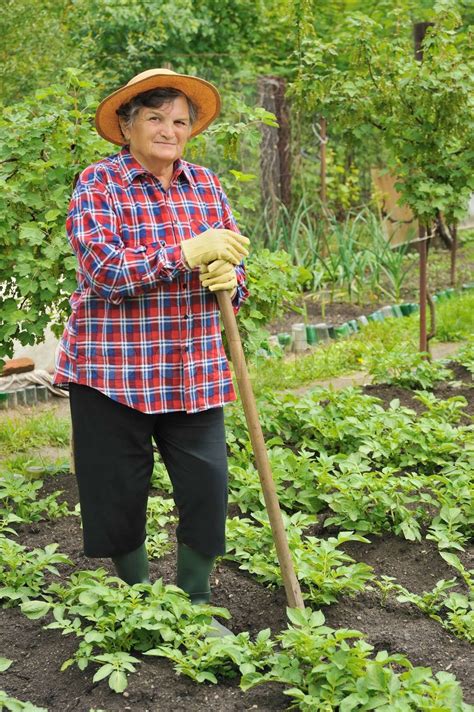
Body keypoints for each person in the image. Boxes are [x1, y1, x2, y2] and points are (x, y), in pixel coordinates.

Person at [54, 68, 250, 634]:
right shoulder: (99, 183)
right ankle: (139, 597)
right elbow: (104, 272)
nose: (170, 130)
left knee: (207, 484)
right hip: (114, 369)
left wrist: (228, 277)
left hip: (193, 369)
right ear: (127, 125)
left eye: (180, 121)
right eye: (156, 118)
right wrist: (187, 252)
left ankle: (194, 598)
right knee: (116, 487)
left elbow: (234, 273)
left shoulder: (206, 185)